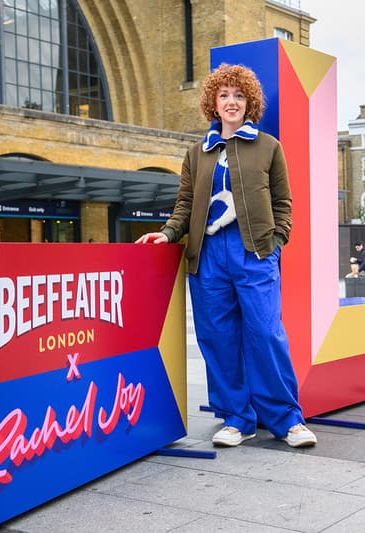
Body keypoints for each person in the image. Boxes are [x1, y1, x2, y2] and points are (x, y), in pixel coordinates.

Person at [135, 64, 316, 448]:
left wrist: (276, 240)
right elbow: (184, 205)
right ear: (213, 104)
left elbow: (283, 202)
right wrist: (167, 233)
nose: (231, 102)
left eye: (238, 95)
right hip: (208, 255)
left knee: (266, 333)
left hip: (254, 251)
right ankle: (237, 418)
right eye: (224, 96)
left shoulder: (268, 146)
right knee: (218, 337)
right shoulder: (196, 153)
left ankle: (287, 419)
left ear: (249, 102)